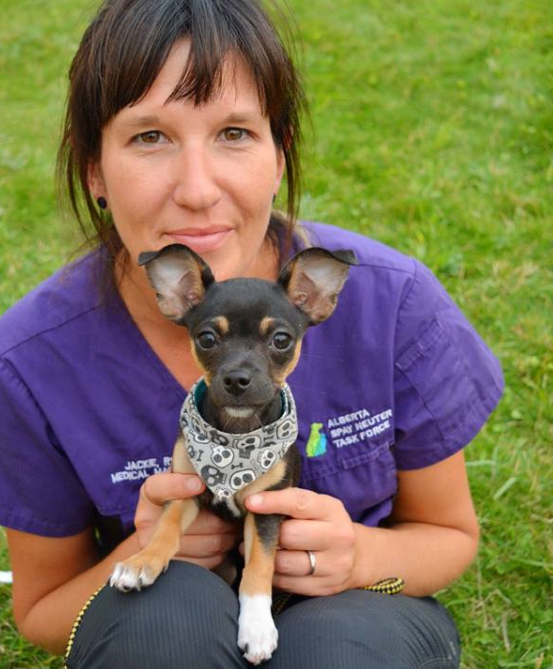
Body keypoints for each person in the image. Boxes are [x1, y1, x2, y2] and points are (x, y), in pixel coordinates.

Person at [0, 0, 504, 667]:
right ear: (94, 168)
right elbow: (39, 611)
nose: (197, 189)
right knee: (163, 625)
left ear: (278, 151)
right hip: (161, 613)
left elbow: (447, 534)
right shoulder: (31, 361)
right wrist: (145, 552)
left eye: (233, 132)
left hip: (353, 609)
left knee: (340, 652)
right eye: (149, 136)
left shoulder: (392, 301)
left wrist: (362, 556)